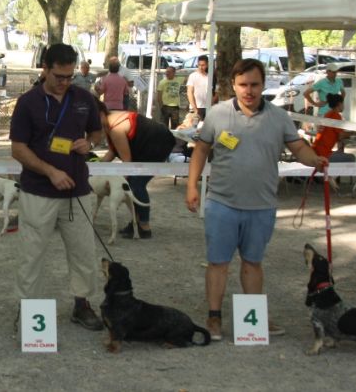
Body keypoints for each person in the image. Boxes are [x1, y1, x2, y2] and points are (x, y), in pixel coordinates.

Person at [185, 58, 328, 341]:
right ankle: (214, 319)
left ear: (263, 84)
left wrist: (316, 160)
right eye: (242, 85)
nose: (248, 90)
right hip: (222, 203)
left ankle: (255, 319)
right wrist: (192, 186)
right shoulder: (217, 114)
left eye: (254, 84)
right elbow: (201, 151)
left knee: (253, 263)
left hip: (262, 205)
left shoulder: (279, 117)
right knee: (218, 263)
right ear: (233, 85)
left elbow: (299, 148)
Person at [11, 43, 105, 331]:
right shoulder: (27, 103)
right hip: (38, 192)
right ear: (44, 69)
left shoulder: (84, 98)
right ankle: (28, 310)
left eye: (70, 76)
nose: (65, 82)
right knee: (32, 255)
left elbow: (98, 132)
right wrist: (50, 172)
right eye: (59, 76)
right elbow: (18, 149)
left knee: (83, 253)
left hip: (77, 192)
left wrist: (89, 144)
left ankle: (82, 304)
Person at [98, 101, 176, 239]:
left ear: (101, 113)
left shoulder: (115, 128)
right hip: (150, 143)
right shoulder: (110, 122)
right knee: (133, 183)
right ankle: (137, 222)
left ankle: (144, 227)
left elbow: (127, 162)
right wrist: (95, 170)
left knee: (135, 184)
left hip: (158, 143)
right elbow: (112, 152)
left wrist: (117, 181)